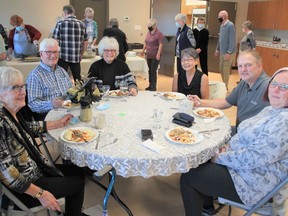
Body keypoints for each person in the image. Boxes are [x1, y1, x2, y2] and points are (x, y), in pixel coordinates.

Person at [180, 67, 288, 216]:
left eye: (284, 87)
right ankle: (206, 204)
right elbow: (248, 136)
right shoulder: (273, 109)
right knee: (201, 158)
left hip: (254, 183)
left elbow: (254, 157)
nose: (276, 90)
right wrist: (228, 147)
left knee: (189, 177)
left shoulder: (284, 121)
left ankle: (203, 203)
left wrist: (220, 157)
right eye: (274, 84)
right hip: (245, 169)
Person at [0, 66, 88, 216]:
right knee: (77, 184)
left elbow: (28, 127)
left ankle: (74, 212)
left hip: (36, 169)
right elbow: (7, 173)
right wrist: (40, 194)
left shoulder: (10, 112)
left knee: (79, 170)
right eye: (15, 88)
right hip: (26, 187)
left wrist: (58, 123)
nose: (23, 92)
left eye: (22, 86)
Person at [188, 50, 270, 132]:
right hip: (240, 131)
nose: (243, 69)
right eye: (240, 66)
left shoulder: (270, 87)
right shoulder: (244, 83)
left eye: (248, 65)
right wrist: (200, 102)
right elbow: (226, 102)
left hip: (255, 138)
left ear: (260, 66)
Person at [27, 38, 73, 120]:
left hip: (67, 111)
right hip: (48, 117)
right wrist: (51, 104)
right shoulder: (35, 75)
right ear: (41, 54)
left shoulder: (62, 70)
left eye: (55, 52)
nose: (53, 55)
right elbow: (33, 105)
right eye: (48, 52)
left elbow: (71, 91)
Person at [52, 5, 88, 81]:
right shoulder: (82, 24)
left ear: (65, 13)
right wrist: (81, 54)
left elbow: (55, 41)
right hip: (76, 57)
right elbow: (86, 42)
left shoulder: (60, 24)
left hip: (62, 57)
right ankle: (79, 92)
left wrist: (56, 54)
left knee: (61, 79)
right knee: (78, 80)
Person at [215, 10, 236, 89]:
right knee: (221, 69)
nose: (218, 18)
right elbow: (220, 39)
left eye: (219, 16)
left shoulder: (230, 25)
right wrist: (217, 49)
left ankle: (225, 87)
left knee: (226, 71)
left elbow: (232, 40)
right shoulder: (222, 25)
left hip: (228, 53)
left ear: (224, 17)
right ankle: (224, 85)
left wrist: (229, 52)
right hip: (222, 52)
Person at [141, 18, 163, 91]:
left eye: (149, 25)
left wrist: (158, 54)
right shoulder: (148, 33)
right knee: (149, 70)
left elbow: (160, 44)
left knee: (153, 71)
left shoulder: (159, 34)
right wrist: (143, 50)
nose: (148, 27)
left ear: (154, 26)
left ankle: (154, 86)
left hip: (155, 55)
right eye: (148, 25)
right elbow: (146, 42)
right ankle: (150, 85)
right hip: (149, 54)